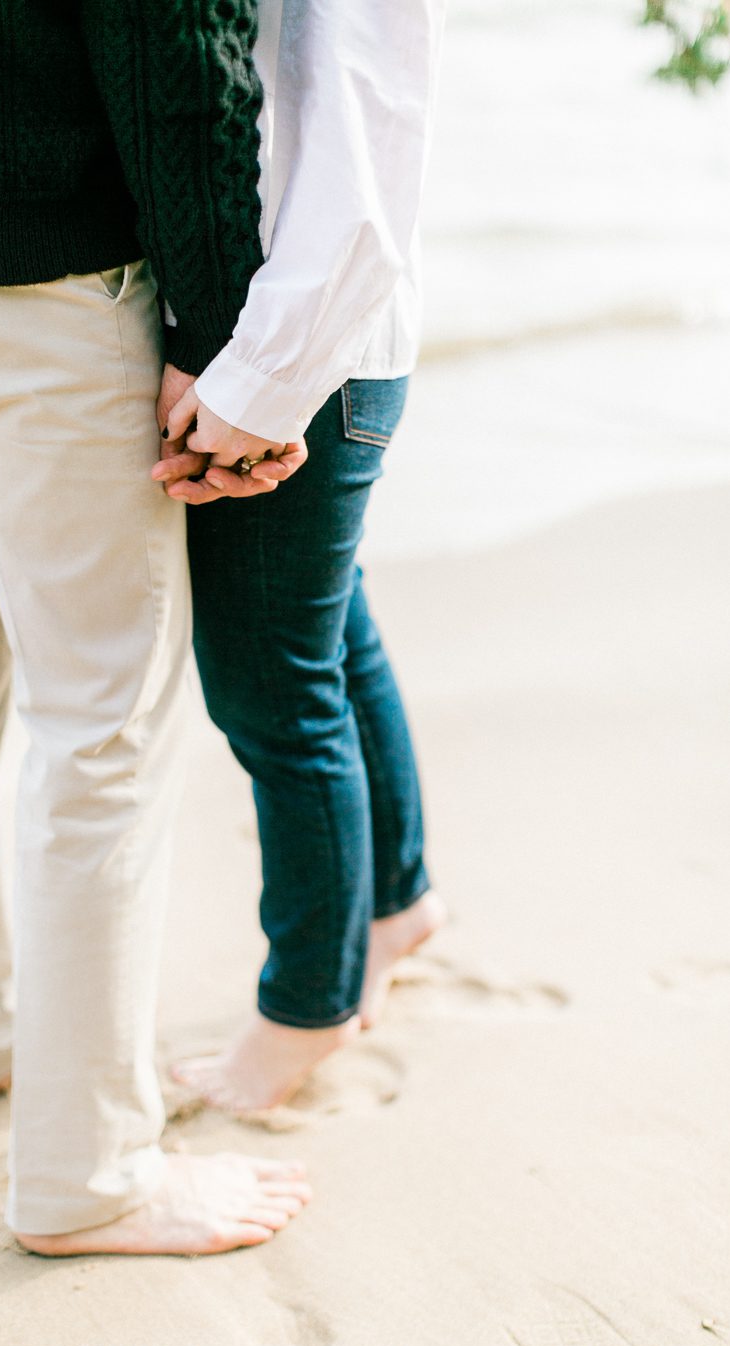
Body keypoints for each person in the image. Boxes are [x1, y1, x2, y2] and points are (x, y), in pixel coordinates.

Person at [0, 1, 310, 1257]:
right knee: (100, 724)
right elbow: (178, 57)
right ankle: (87, 1177)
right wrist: (222, 337)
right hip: (33, 263)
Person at [154, 0, 449, 1111]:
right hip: (314, 346)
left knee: (273, 690)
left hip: (303, 357)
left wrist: (259, 381)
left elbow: (362, 163)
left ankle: (304, 1012)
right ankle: (397, 904)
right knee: (328, 631)